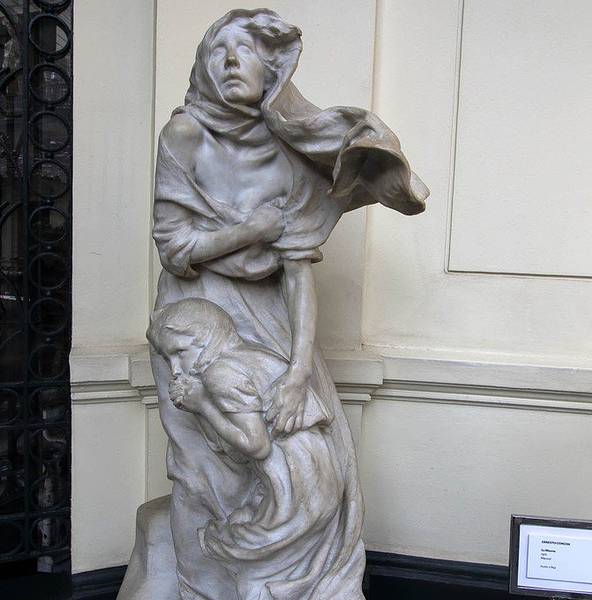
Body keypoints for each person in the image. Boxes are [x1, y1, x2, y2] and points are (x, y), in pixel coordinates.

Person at [148, 8, 428, 600]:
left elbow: (298, 272)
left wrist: (299, 372)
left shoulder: (288, 153)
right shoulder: (184, 135)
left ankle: (294, 579)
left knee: (303, 443)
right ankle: (205, 583)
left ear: (272, 70)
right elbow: (175, 248)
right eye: (218, 51)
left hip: (272, 311)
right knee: (203, 463)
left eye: (246, 51)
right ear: (203, 67)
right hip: (195, 310)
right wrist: (251, 230)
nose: (231, 62)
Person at [147, 298, 343, 599]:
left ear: (206, 339)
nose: (174, 369)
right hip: (315, 480)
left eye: (179, 353)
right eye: (167, 357)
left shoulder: (221, 373)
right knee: (256, 550)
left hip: (297, 491)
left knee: (249, 569)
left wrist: (203, 406)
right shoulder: (254, 355)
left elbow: (257, 445)